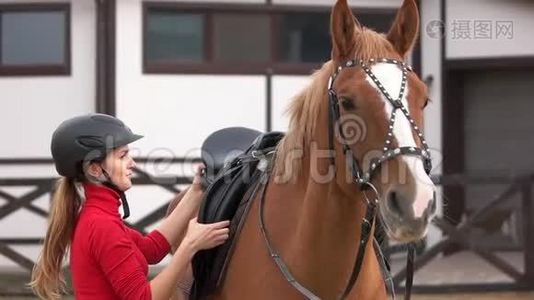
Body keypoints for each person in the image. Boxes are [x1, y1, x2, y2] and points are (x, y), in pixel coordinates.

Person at [29, 113, 229, 299]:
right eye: (123, 156)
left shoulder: (99, 217)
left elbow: (152, 249)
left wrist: (196, 192)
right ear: (95, 169)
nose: (132, 163)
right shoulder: (101, 225)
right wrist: (190, 245)